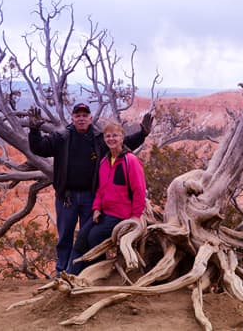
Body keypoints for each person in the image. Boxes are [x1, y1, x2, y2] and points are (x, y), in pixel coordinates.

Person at [27, 103, 152, 277]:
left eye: (85, 115)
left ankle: (90, 274)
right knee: (65, 237)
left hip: (90, 198)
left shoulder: (98, 137)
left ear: (90, 118)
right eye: (78, 115)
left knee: (90, 238)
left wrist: (142, 135)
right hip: (67, 198)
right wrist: (34, 131)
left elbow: (120, 141)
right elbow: (39, 148)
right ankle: (62, 272)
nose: (81, 118)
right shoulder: (61, 137)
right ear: (72, 118)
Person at [68, 121, 146, 275]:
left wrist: (136, 217)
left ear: (122, 138)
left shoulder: (130, 161)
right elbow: (100, 190)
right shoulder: (104, 162)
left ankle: (92, 277)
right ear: (104, 139)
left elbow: (139, 191)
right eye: (108, 136)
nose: (111, 139)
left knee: (94, 238)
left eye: (115, 135)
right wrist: (96, 208)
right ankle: (71, 276)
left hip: (122, 214)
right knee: (81, 238)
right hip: (104, 212)